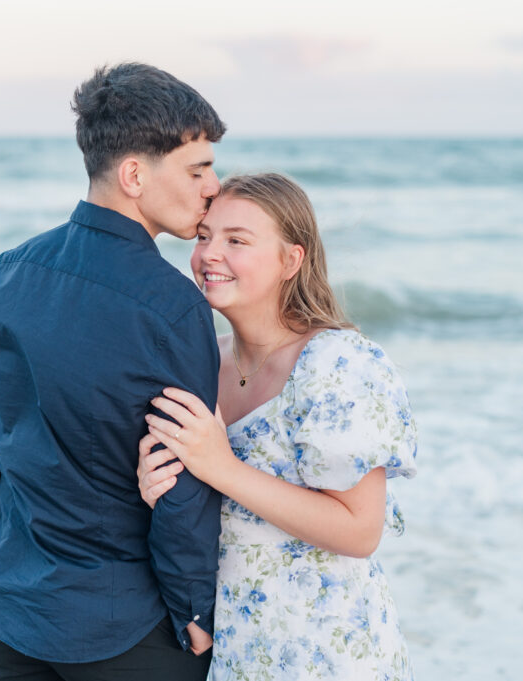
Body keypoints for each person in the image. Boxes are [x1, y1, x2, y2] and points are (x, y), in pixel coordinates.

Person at [0, 63, 226, 681]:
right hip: (126, 628)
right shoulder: (172, 305)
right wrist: (196, 609)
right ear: (135, 174)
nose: (213, 185)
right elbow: (181, 476)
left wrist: (0, 553)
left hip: (10, 610)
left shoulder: (3, 275)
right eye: (197, 168)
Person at [137, 173, 418, 680]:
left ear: (292, 259)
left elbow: (359, 530)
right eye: (204, 237)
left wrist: (222, 468)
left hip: (329, 653)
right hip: (235, 653)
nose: (208, 255)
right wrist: (153, 485)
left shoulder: (336, 363)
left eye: (237, 240)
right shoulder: (198, 363)